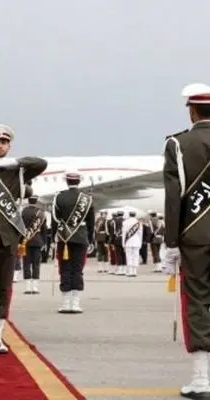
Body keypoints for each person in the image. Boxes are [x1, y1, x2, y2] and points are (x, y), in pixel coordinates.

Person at [0, 124, 47, 353]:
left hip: (9, 231)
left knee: (5, 284)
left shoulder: (18, 170)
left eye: (3, 142)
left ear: (9, 145)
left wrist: (15, 162)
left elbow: (40, 163)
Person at [162, 82, 210, 398]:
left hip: (195, 235)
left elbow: (173, 198)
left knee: (197, 301)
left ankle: (202, 379)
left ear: (191, 110)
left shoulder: (178, 145)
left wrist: (171, 242)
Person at [51, 170, 95, 314]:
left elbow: (55, 220)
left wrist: (53, 238)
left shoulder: (59, 197)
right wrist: (91, 240)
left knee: (65, 269)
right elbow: (91, 223)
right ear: (79, 181)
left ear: (66, 181)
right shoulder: (87, 199)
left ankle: (65, 303)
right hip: (81, 237)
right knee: (78, 269)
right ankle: (75, 303)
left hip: (64, 238)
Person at [21, 195, 46, 294]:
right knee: (36, 264)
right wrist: (44, 242)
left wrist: (20, 241)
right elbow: (44, 229)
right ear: (36, 201)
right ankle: (35, 287)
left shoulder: (24, 212)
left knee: (26, 264)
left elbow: (20, 227)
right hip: (37, 241)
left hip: (25, 241)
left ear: (28, 201)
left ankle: (27, 287)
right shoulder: (40, 213)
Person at [122, 211, 142, 277]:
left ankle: (130, 271)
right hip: (137, 241)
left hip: (128, 241)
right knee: (136, 256)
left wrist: (123, 243)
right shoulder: (138, 223)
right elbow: (140, 234)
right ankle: (135, 271)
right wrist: (140, 243)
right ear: (135, 215)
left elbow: (124, 234)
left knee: (129, 256)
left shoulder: (125, 222)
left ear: (129, 215)